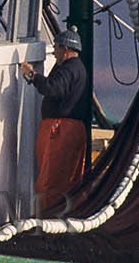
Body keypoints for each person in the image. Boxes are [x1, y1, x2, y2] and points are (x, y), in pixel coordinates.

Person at [19, 29, 90, 210]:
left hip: (60, 129)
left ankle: (48, 217)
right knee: (69, 179)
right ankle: (68, 214)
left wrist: (32, 76)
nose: (54, 52)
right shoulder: (78, 68)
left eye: (56, 48)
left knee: (50, 179)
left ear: (66, 49)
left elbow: (52, 88)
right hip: (74, 129)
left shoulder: (68, 69)